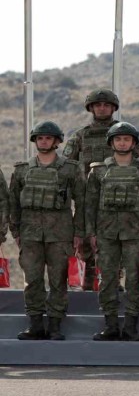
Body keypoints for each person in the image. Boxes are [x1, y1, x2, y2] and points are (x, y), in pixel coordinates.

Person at [63, 88, 139, 291]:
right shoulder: (80, 136)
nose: (102, 108)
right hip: (87, 199)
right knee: (86, 242)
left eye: (106, 105)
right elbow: (67, 167)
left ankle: (113, 283)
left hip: (119, 200)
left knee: (117, 242)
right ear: (91, 108)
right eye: (98, 105)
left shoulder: (125, 133)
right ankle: (88, 285)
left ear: (113, 108)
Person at [10, 121, 85, 341]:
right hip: (30, 233)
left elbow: (83, 203)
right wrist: (16, 231)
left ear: (56, 141)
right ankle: (35, 324)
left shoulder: (70, 169)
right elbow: (13, 203)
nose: (43, 141)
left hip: (60, 233)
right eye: (40, 138)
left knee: (58, 280)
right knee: (32, 279)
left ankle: (54, 325)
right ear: (35, 141)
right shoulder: (22, 170)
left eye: (48, 138)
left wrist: (79, 232)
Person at [87, 122, 139, 342]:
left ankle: (130, 326)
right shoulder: (98, 171)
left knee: (134, 279)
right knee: (107, 278)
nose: (122, 143)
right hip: (106, 232)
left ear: (133, 143)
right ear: (111, 143)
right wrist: (91, 233)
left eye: (126, 139)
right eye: (118, 139)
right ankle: (110, 325)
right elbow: (90, 205)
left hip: (135, 232)